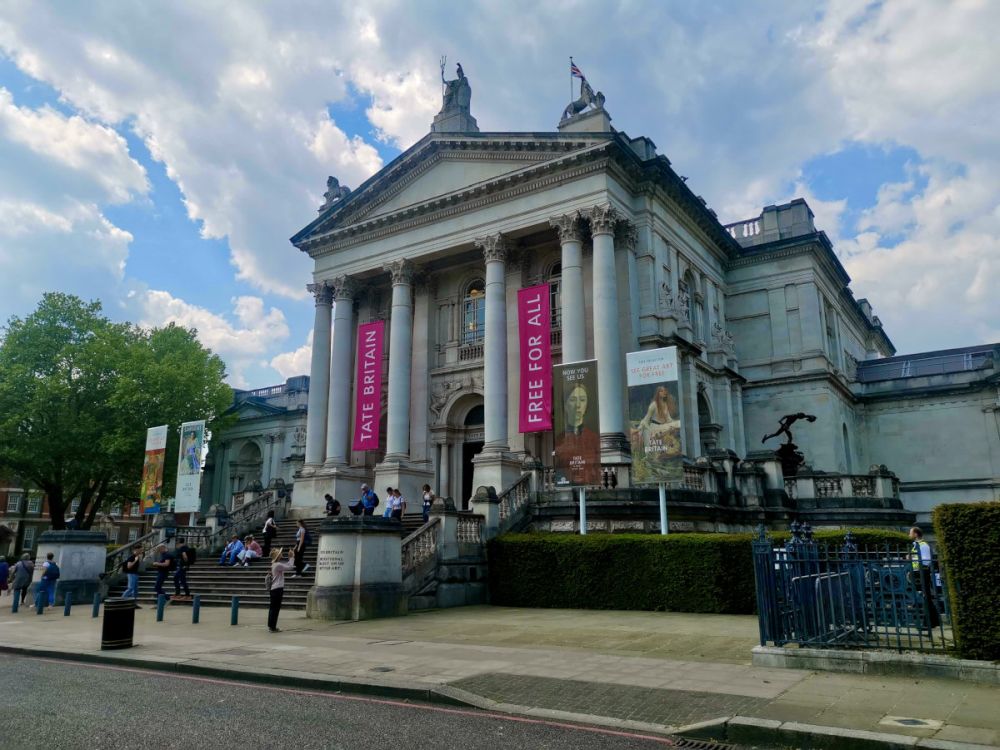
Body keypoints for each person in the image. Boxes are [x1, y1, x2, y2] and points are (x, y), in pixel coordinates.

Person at [553, 382, 601, 485]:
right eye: (573, 400)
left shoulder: (594, 438)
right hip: (566, 484)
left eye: (582, 400)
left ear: (586, 405)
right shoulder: (559, 439)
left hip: (589, 486)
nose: (578, 405)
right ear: (566, 405)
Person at [909, 526, 941, 630]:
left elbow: (926, 560)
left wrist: (913, 557)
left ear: (916, 534)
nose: (909, 534)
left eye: (911, 533)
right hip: (917, 573)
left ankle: (929, 623)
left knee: (926, 597)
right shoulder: (916, 545)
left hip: (923, 572)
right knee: (924, 597)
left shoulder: (923, 545)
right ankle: (933, 621)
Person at [267, 547, 296, 633]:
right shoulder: (278, 565)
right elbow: (290, 567)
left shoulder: (275, 564)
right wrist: (292, 557)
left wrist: (290, 558)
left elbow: (287, 565)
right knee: (275, 608)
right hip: (277, 589)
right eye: (280, 553)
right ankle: (273, 627)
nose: (281, 553)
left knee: (273, 608)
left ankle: (271, 626)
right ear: (278, 556)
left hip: (274, 589)